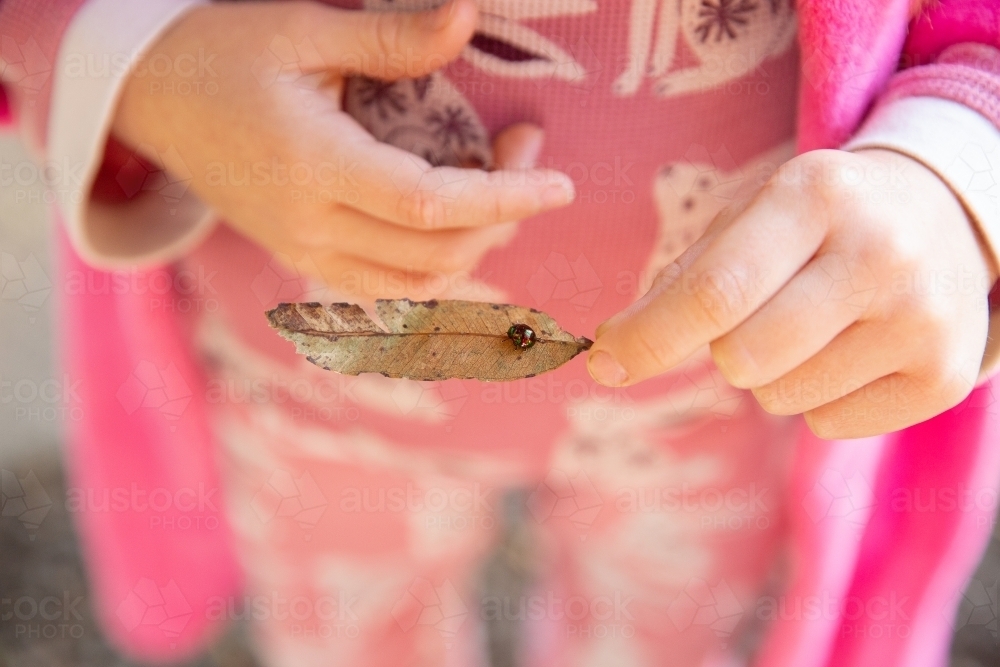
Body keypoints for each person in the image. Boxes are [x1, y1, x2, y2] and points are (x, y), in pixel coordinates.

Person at [1, 0, 998, 665]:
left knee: (662, 642)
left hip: (715, 403)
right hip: (309, 402)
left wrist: (960, 160)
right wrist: (128, 58)